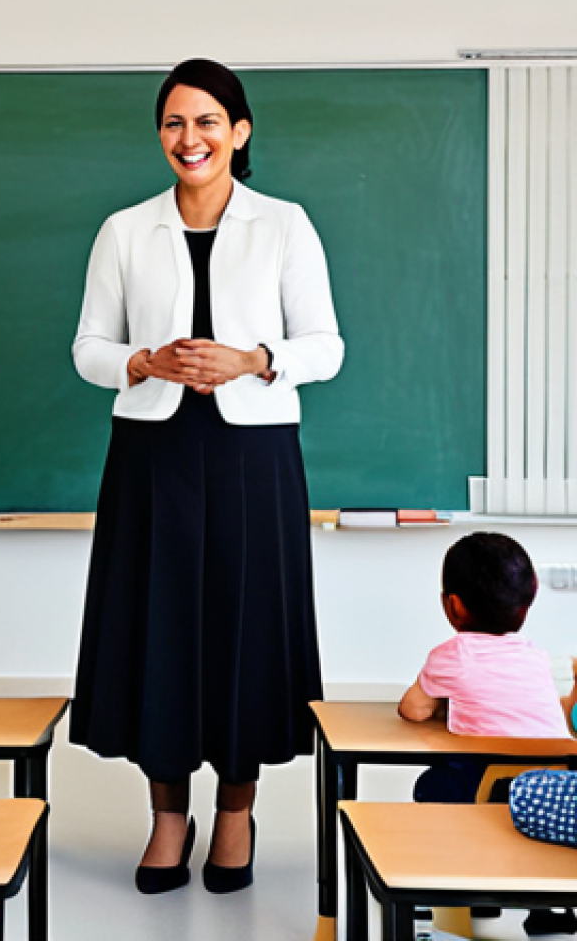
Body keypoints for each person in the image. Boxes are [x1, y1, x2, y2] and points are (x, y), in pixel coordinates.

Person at [69, 58, 344, 895]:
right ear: (161, 135)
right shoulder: (124, 230)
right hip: (152, 459)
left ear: (241, 131)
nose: (190, 140)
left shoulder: (285, 226)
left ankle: (234, 814)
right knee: (159, 631)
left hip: (252, 460)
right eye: (174, 124)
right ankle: (166, 819)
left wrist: (255, 359)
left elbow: (326, 348)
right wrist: (141, 361)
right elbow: (87, 351)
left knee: (244, 631)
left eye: (207, 123)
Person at [399, 532, 569, 804]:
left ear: (453, 605)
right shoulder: (535, 656)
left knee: (429, 784)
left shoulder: (453, 655)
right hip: (554, 786)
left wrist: (442, 707)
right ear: (527, 604)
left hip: (488, 785)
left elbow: (413, 710)